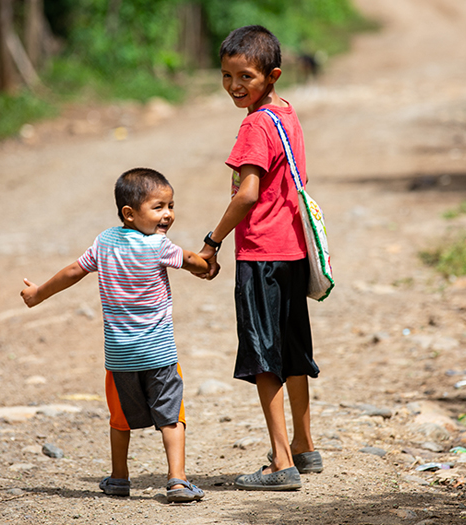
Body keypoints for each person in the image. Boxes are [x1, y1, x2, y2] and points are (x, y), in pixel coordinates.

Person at [21, 167, 210, 503]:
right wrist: (206, 266)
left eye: (171, 206)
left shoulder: (104, 241)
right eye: (159, 207)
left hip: (120, 356)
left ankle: (119, 478)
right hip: (159, 354)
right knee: (172, 416)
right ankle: (178, 481)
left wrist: (38, 294)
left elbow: (73, 271)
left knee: (120, 419)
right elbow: (192, 261)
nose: (168, 214)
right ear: (130, 212)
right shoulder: (159, 245)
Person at [197, 25, 323, 491]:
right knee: (292, 351)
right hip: (291, 251)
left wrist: (212, 241)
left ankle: (282, 463)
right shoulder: (285, 114)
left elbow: (248, 194)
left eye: (245, 76)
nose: (234, 86)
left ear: (272, 75)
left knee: (263, 358)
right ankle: (306, 447)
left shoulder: (253, 125)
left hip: (262, 255)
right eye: (226, 75)